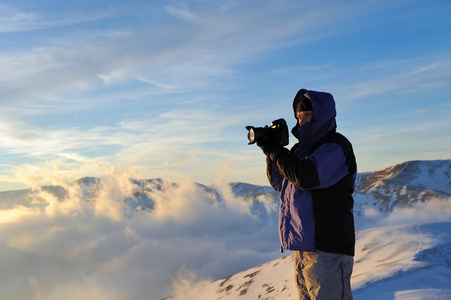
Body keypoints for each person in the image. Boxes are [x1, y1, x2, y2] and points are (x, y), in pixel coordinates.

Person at [257, 89, 356, 300]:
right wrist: (270, 150)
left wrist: (277, 151)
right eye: (299, 116)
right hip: (304, 249)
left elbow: (307, 177)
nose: (302, 121)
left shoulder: (336, 146)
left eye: (307, 115)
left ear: (321, 115)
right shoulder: (300, 151)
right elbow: (279, 181)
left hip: (328, 249)